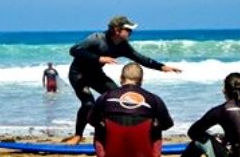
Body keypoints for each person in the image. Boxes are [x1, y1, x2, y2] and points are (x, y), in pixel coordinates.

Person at [63, 15, 181, 145]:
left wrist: (161, 67)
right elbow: (74, 50)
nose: (131, 32)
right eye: (128, 30)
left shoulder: (122, 46)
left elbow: (140, 58)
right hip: (78, 75)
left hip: (96, 75)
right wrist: (98, 58)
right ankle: (78, 135)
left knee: (119, 97)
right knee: (88, 104)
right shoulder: (96, 39)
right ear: (117, 30)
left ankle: (115, 131)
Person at [87, 62, 173, 157]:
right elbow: (167, 124)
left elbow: (91, 120)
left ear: (121, 79)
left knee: (99, 125)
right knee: (157, 126)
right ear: (141, 80)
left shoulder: (106, 96)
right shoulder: (153, 99)